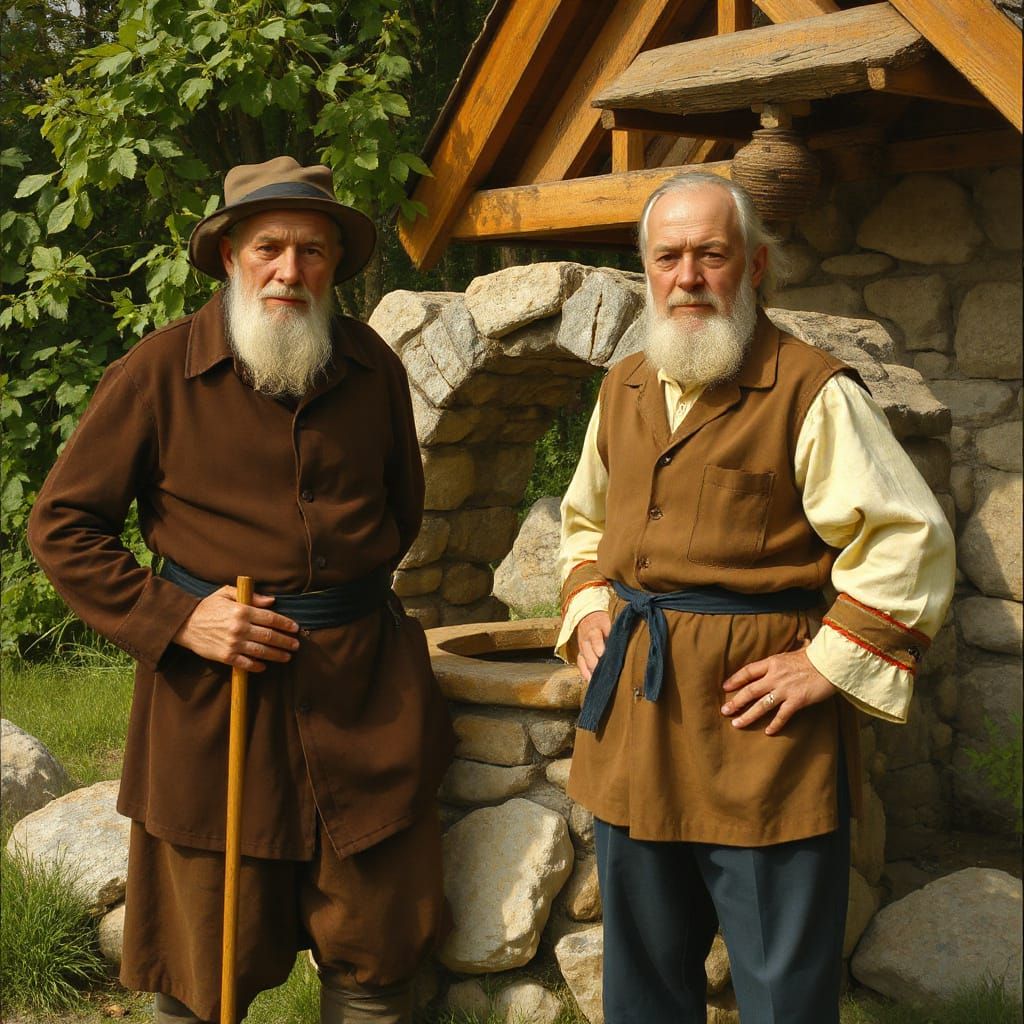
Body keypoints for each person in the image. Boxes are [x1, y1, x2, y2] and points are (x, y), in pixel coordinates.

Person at [28, 156, 455, 1024]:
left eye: (311, 251)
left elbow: (399, 515)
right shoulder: (156, 374)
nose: (290, 271)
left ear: (334, 263)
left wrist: (334, 605)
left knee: (377, 951)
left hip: (363, 696)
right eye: (268, 248)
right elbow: (62, 526)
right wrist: (182, 617)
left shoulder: (375, 369)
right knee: (200, 960)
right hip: (215, 710)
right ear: (229, 255)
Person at [555, 171, 955, 1024]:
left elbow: (907, 537)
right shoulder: (622, 387)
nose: (688, 278)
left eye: (711, 255)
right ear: (647, 270)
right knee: (644, 987)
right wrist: (590, 601)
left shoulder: (813, 389)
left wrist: (826, 663)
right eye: (669, 258)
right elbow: (585, 521)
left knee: (780, 992)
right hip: (638, 724)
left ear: (756, 266)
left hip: (762, 738)